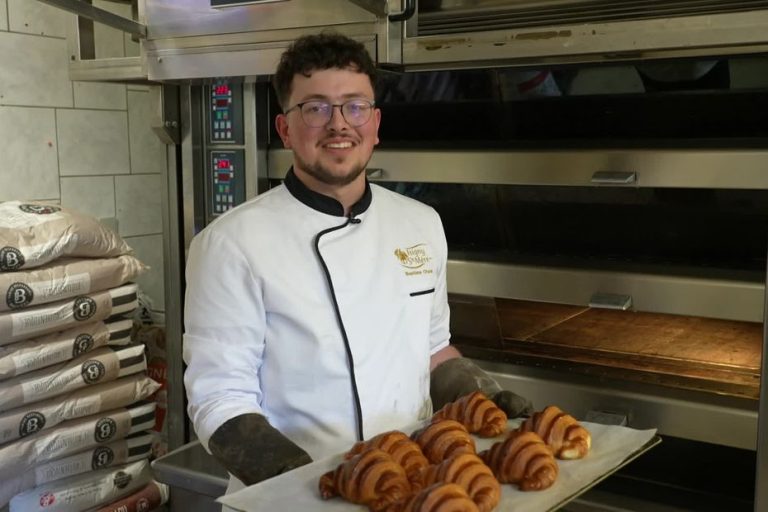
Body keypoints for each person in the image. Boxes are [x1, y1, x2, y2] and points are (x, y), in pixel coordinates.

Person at [182, 31, 532, 500]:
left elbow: (432, 348)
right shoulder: (230, 243)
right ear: (285, 129)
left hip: (413, 483)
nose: (339, 124)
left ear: (375, 122)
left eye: (355, 106)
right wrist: (299, 483)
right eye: (316, 108)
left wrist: (483, 394)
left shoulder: (421, 223)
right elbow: (219, 396)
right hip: (290, 498)